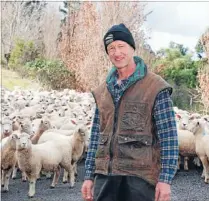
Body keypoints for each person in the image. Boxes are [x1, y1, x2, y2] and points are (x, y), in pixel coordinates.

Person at [81, 23, 179, 201]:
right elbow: (96, 135)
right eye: (111, 48)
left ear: (132, 48)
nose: (117, 53)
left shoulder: (155, 87)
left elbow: (169, 138)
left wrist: (165, 180)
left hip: (140, 178)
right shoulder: (102, 91)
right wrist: (88, 176)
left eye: (121, 46)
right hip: (106, 178)